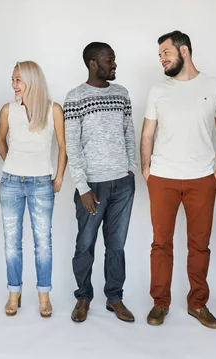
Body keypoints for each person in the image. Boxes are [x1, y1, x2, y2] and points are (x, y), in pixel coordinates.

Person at [140, 30, 216, 328]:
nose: (162, 59)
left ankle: (198, 304)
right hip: (162, 177)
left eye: (166, 53)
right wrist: (146, 169)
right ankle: (160, 303)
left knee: (200, 245)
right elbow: (148, 133)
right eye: (160, 56)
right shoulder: (158, 90)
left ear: (184, 51)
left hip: (202, 179)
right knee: (161, 244)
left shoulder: (215, 86)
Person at [64, 42, 137, 323]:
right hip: (92, 187)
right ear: (93, 63)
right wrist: (82, 187)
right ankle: (83, 297)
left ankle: (114, 298)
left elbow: (129, 132)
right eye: (110, 60)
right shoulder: (76, 97)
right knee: (85, 244)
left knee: (116, 246)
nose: (114, 64)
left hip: (122, 185)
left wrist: (131, 170)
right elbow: (73, 145)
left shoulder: (122, 94)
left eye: (114, 59)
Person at [0, 61, 67, 317]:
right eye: (12, 79)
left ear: (31, 81)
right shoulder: (8, 110)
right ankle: (14, 293)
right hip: (11, 182)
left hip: (41, 183)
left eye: (17, 79)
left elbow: (62, 145)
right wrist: (11, 164)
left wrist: (58, 178)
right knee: (12, 243)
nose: (13, 84)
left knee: (43, 243)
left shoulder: (53, 110)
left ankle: (44, 295)